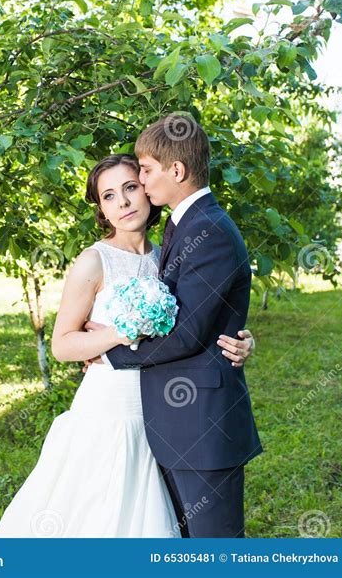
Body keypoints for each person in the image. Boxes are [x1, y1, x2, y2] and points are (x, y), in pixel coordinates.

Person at [0, 122, 256, 538]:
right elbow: (63, 344)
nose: (124, 202)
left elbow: (197, 317)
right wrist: (115, 337)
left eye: (132, 186)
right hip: (112, 410)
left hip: (167, 414)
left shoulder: (166, 251)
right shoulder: (94, 262)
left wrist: (239, 335)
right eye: (108, 196)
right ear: (101, 207)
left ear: (150, 185)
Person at [86, 114, 263, 537]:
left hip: (202, 428)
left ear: (176, 171)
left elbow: (186, 332)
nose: (140, 185)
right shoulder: (182, 224)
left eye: (144, 173)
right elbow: (197, 312)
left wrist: (109, 351)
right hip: (175, 423)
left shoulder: (209, 230)